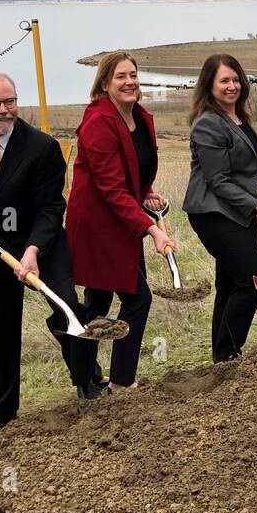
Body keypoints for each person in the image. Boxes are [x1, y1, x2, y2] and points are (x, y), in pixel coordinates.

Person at [0, 70, 97, 431]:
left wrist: (32, 251)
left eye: (9, 101)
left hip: (41, 243)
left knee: (66, 309)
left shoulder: (41, 147)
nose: (3, 110)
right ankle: (3, 408)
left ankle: (86, 380)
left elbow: (50, 208)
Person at [66, 52, 174, 389]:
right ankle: (120, 380)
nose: (129, 82)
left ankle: (86, 375)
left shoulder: (138, 117)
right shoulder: (99, 122)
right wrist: (152, 228)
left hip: (121, 221)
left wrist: (146, 191)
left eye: (133, 75)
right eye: (120, 77)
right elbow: (111, 188)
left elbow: (131, 169)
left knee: (96, 303)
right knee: (137, 299)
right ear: (104, 84)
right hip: (99, 227)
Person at [183, 53, 257, 363]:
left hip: (235, 212)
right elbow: (217, 180)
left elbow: (236, 165)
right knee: (254, 281)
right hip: (214, 213)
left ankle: (222, 357)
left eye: (236, 79)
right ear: (209, 85)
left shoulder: (238, 117)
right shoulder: (208, 123)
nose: (232, 86)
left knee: (230, 284)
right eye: (224, 80)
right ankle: (229, 351)